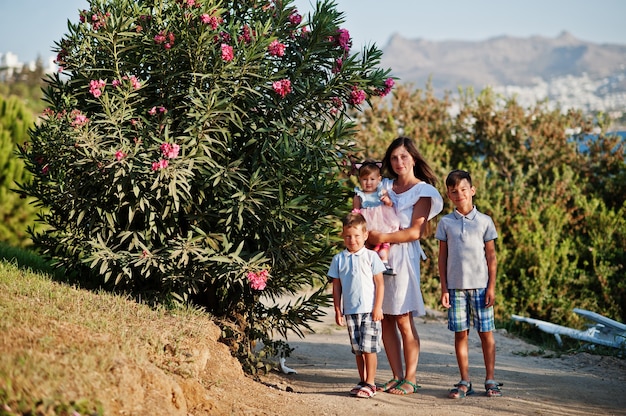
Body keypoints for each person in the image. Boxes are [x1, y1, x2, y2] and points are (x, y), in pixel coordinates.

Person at [366, 137, 443, 395]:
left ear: (413, 158)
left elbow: (414, 232)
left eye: (403, 156)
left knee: (402, 318)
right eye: (394, 158)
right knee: (385, 318)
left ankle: (411, 377)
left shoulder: (423, 191)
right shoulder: (384, 184)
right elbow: (364, 193)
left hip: (402, 257)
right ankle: (397, 375)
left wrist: (382, 237)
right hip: (377, 257)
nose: (399, 162)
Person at [434, 169, 502, 398]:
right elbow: (442, 257)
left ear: (472, 190)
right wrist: (444, 288)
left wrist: (491, 287)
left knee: (486, 333)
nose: (459, 194)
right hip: (455, 288)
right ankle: (465, 381)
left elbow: (491, 256)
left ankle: (490, 380)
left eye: (463, 189)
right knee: (460, 334)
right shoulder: (445, 223)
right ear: (448, 194)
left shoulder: (484, 221)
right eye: (454, 191)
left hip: (482, 288)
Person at [328, 212, 386, 399]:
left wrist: (378, 307)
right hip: (351, 311)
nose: (352, 240)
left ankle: (371, 382)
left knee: (369, 348)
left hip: (370, 310)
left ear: (365, 235)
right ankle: (362, 380)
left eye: (356, 236)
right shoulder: (339, 259)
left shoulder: (371, 256)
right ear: (342, 236)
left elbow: (380, 283)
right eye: (348, 236)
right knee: (358, 349)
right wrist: (338, 310)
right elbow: (336, 286)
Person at [352, 159, 400, 275]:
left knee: (384, 242)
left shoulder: (381, 191)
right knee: (368, 244)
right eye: (365, 179)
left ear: (379, 179)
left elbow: (390, 204)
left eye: (372, 179)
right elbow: (356, 212)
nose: (368, 182)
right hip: (367, 222)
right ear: (359, 179)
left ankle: (384, 261)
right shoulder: (359, 195)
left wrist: (387, 200)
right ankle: (369, 264)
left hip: (382, 220)